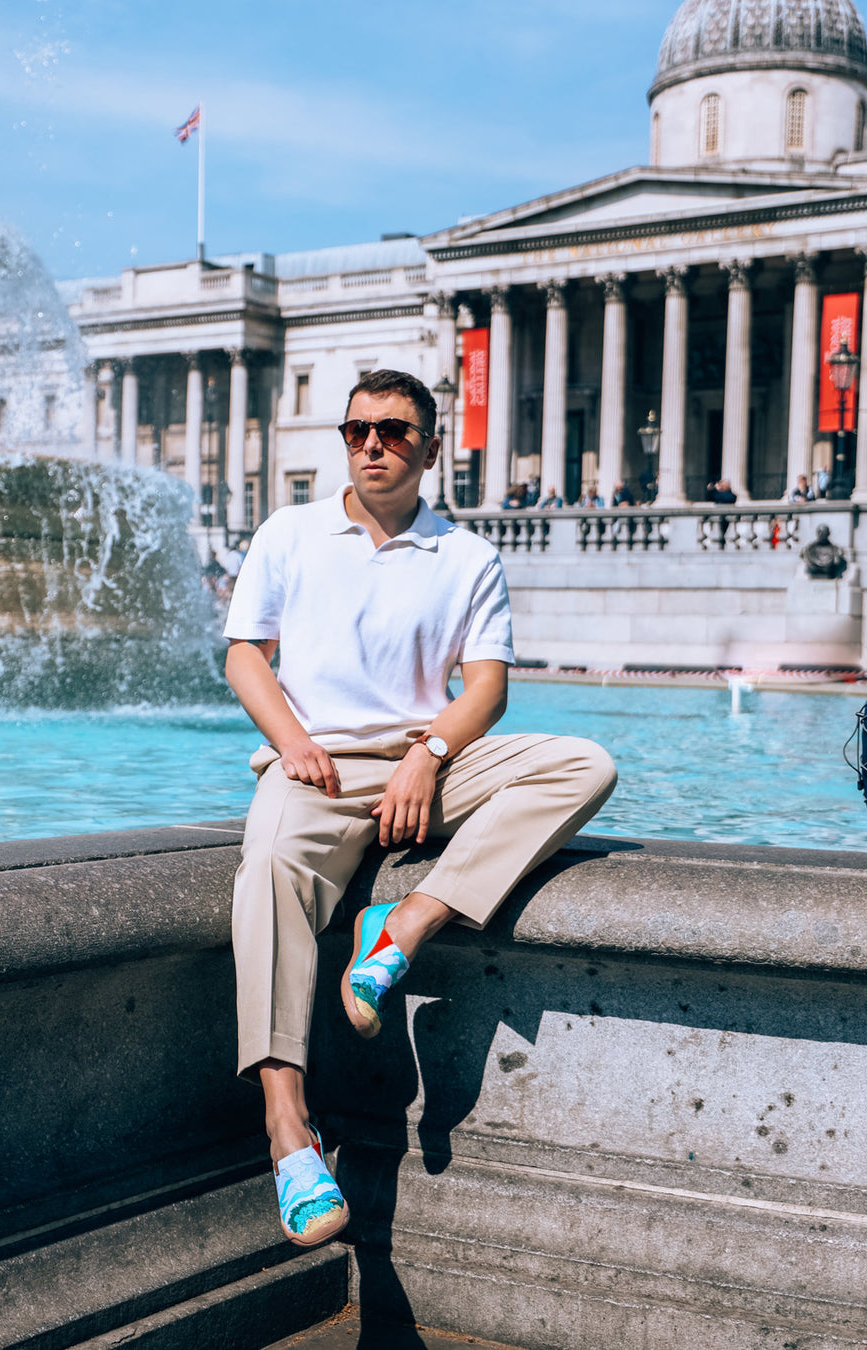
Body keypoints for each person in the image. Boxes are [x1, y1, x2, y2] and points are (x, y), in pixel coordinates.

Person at [223, 369, 617, 1248]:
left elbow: (488, 690)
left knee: (583, 765)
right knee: (269, 875)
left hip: (426, 766)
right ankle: (288, 1132)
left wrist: (429, 755)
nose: (372, 445)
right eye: (358, 429)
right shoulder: (290, 531)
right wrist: (291, 742)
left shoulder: (469, 555)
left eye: (395, 432)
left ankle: (403, 924)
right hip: (314, 767)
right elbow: (246, 655)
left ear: (432, 449)